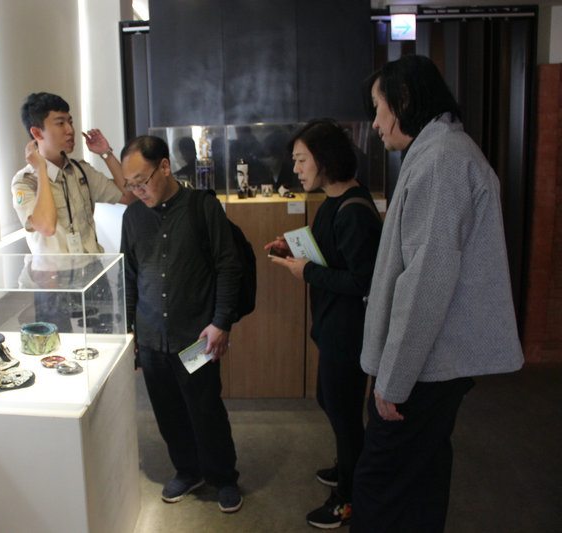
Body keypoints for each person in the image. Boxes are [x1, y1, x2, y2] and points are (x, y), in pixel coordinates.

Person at [352, 55, 524, 532]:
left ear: (404, 100)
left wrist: (394, 380)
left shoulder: (443, 160)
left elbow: (427, 279)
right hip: (429, 363)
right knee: (420, 475)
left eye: (378, 107)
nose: (375, 123)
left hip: (425, 366)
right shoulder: (439, 152)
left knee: (381, 482)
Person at [265, 119, 382, 529]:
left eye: (302, 160)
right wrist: (293, 250)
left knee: (344, 414)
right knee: (330, 402)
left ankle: (349, 498)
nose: (296, 169)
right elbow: (331, 254)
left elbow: (363, 280)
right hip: (332, 326)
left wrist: (306, 271)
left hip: (348, 332)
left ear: (325, 158)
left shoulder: (353, 210)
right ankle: (349, 466)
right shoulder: (333, 199)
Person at [120, 135, 244, 513]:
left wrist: (221, 322)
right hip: (151, 338)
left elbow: (228, 265)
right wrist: (129, 333)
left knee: (205, 409)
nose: (138, 190)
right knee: (168, 411)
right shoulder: (132, 217)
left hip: (196, 339)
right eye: (130, 184)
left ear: (165, 166)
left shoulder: (202, 207)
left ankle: (223, 477)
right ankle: (188, 471)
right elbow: (129, 276)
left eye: (142, 180)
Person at [11, 92, 134, 254]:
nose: (70, 130)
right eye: (60, 123)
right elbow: (47, 227)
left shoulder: (81, 170)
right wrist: (41, 170)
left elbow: (128, 196)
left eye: (70, 122)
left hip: (93, 266)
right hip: (55, 270)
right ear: (37, 133)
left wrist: (106, 154)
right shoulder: (25, 181)